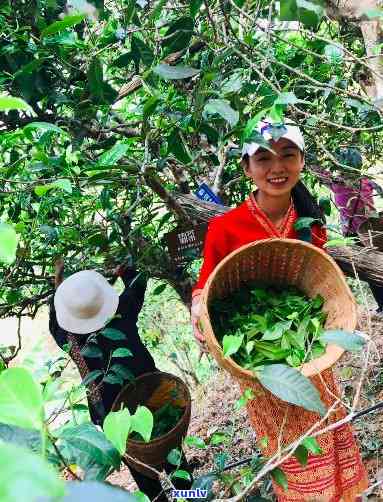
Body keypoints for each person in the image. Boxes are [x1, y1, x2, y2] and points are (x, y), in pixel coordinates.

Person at [191, 119, 368, 501]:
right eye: (264, 158)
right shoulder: (225, 228)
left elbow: (316, 284)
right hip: (261, 370)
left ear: (301, 161)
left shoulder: (310, 224)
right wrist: (197, 309)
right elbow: (205, 284)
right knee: (291, 449)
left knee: (328, 430)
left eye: (288, 155)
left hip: (310, 356)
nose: (277, 167)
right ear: (246, 167)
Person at [50, 261, 192, 501]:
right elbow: (137, 283)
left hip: (112, 414)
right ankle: (192, 496)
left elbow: (54, 321)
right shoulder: (123, 308)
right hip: (152, 396)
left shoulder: (68, 337)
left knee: (146, 480)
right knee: (175, 462)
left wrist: (57, 285)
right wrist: (124, 270)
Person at [310, 159, 383, 313]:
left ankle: (382, 306)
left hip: (356, 234)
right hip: (374, 231)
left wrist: (308, 158)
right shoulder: (366, 182)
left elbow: (318, 172)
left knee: (370, 272)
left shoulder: (338, 184)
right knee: (376, 266)